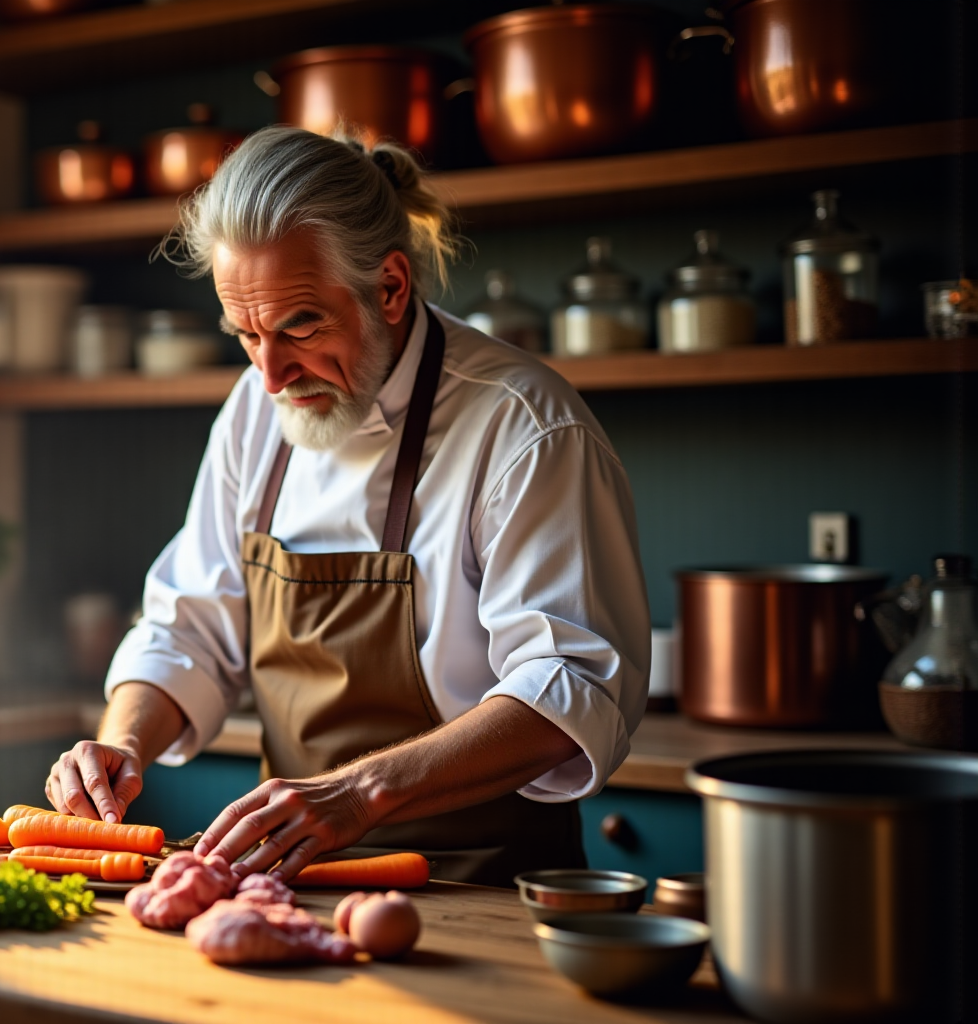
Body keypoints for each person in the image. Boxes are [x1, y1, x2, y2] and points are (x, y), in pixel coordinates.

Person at [44, 126, 649, 887]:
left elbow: (571, 687)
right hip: (287, 880)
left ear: (390, 287)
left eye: (299, 325)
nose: (271, 375)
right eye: (246, 335)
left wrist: (358, 794)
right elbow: (188, 627)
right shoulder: (256, 411)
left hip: (481, 883)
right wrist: (124, 744)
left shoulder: (523, 427)